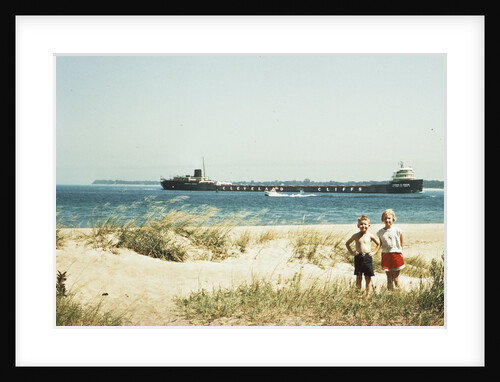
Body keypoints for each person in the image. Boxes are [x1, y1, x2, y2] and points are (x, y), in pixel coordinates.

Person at [345, 214, 380, 296]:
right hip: (358, 257)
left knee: (368, 277)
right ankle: (358, 294)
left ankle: (368, 295)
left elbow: (378, 244)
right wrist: (352, 252)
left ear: (369, 225)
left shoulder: (370, 235)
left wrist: (374, 252)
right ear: (358, 225)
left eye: (365, 224)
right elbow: (347, 243)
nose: (363, 226)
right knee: (359, 277)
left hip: (368, 257)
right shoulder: (356, 235)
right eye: (361, 224)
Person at [377, 209, 405, 291]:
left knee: (396, 279)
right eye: (385, 218)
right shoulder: (380, 232)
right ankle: (390, 294)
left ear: (393, 219)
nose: (387, 220)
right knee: (389, 278)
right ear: (383, 220)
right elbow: (380, 244)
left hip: (396, 255)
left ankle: (399, 294)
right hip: (386, 255)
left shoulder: (398, 230)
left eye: (389, 218)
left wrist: (400, 253)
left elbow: (401, 244)